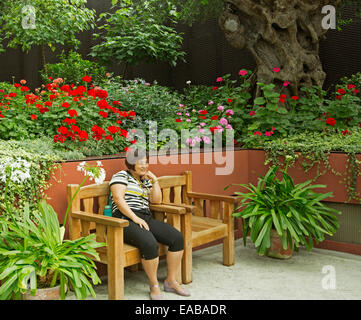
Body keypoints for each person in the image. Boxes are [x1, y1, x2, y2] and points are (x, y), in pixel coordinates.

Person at [109, 151, 190, 300]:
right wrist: (134, 218)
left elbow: (156, 201)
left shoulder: (145, 180)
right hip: (124, 220)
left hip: (145, 217)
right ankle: (154, 285)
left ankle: (170, 281)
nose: (145, 165)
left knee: (177, 238)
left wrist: (155, 181)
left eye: (146, 162)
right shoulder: (121, 176)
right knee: (149, 243)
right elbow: (118, 199)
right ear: (131, 163)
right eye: (141, 162)